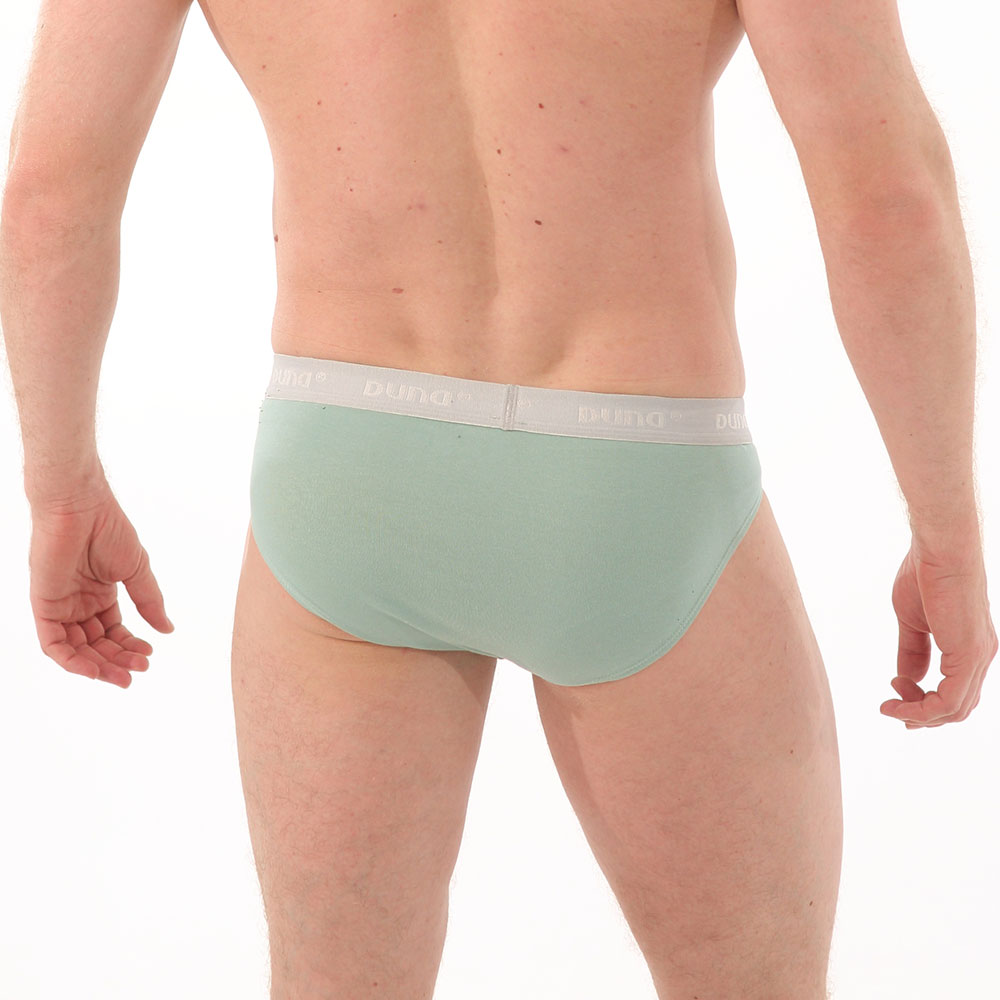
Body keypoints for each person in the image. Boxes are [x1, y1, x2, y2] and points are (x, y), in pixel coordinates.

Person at [0, 0, 995, 997]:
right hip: (634, 471)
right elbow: (887, 199)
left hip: (346, 461)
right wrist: (945, 529)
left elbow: (47, 197)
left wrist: (61, 490)